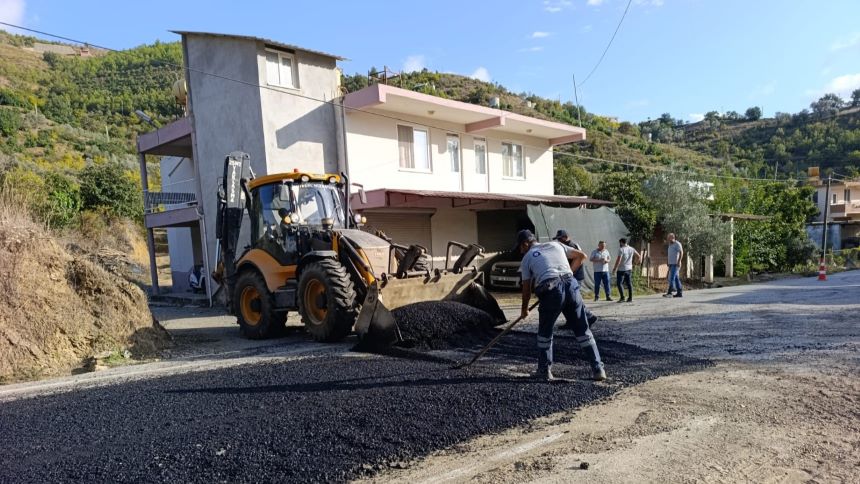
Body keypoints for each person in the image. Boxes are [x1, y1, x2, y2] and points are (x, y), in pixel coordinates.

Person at [516, 229, 606, 382]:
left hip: (551, 290)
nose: (520, 251)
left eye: (520, 247)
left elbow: (526, 289)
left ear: (525, 244)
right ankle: (598, 369)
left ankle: (544, 371)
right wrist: (567, 273)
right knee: (583, 330)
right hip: (571, 285)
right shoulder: (555, 245)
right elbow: (581, 256)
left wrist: (524, 309)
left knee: (545, 332)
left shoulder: (527, 258)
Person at [553, 229, 599, 328]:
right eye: (558, 239)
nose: (558, 241)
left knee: (572, 299)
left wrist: (570, 273)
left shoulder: (571, 246)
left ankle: (588, 317)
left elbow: (580, 259)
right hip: (573, 275)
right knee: (569, 299)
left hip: (574, 276)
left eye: (560, 239)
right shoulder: (571, 245)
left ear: (565, 237)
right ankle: (572, 321)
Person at [612, 238, 641, 303]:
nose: (619, 244)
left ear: (621, 242)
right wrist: (635, 263)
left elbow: (618, 260)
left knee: (619, 283)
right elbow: (639, 256)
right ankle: (630, 298)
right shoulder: (632, 249)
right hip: (629, 268)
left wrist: (614, 269)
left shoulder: (621, 249)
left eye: (620, 243)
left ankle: (622, 298)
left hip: (621, 269)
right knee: (629, 283)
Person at [664, 233, 684, 298]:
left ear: (672, 237)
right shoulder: (670, 245)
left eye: (668, 238)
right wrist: (668, 261)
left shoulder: (677, 244)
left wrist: (679, 261)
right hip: (671, 264)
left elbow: (681, 253)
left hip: (676, 264)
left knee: (671, 278)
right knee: (676, 279)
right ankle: (679, 293)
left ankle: (669, 292)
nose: (667, 239)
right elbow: (669, 254)